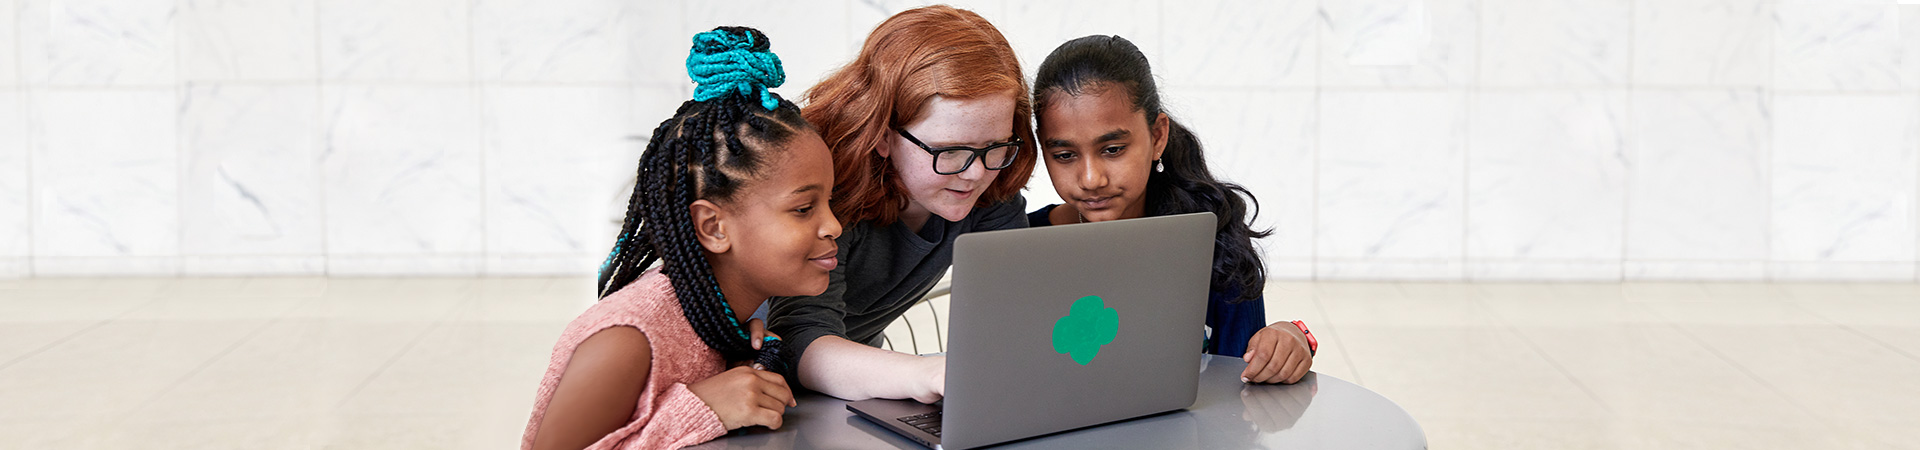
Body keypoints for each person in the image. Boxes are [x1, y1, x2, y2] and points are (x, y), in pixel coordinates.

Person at [521, 27, 840, 450]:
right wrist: (700, 408)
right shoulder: (627, 340)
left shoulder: (722, 318)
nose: (833, 226)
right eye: (803, 209)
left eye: (829, 203)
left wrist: (742, 358)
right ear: (713, 227)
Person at [767, 5, 1036, 403]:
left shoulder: (989, 190)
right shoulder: (824, 197)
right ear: (882, 135)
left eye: (995, 146)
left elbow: (1018, 310)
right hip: (757, 387)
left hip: (852, 391)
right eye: (949, 151)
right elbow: (799, 339)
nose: (976, 173)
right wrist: (924, 372)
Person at [1026, 35, 1318, 385]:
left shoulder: (1214, 237)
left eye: (1113, 149)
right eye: (1065, 156)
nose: (1091, 179)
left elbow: (1241, 382)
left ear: (1158, 137)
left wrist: (1288, 339)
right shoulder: (1021, 244)